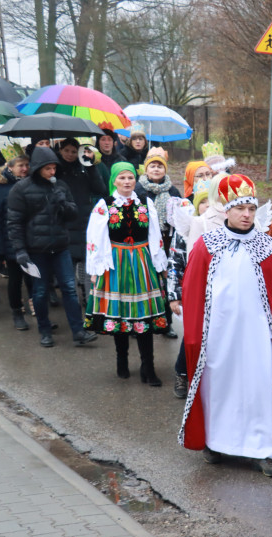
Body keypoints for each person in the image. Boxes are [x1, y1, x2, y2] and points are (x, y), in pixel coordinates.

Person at [179, 174, 272, 477]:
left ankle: (263, 449)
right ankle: (216, 442)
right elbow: (193, 291)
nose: (246, 215)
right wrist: (195, 334)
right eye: (240, 209)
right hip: (219, 335)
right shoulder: (207, 246)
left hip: (257, 336)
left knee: (258, 390)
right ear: (225, 209)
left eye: (251, 209)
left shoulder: (268, 247)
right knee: (220, 388)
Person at [84, 161, 169, 384]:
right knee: (120, 313)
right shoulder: (105, 204)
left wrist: (159, 264)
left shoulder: (145, 203)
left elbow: (154, 234)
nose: (127, 182)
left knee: (144, 315)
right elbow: (95, 237)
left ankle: (148, 368)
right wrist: (96, 268)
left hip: (141, 261)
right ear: (114, 180)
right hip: (116, 264)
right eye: (122, 178)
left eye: (130, 177)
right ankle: (122, 360)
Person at [6, 147, 98, 348]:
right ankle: (45, 330)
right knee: (39, 292)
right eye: (47, 168)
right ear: (38, 168)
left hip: (60, 247)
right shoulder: (20, 189)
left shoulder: (60, 187)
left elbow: (73, 214)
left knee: (69, 289)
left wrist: (63, 204)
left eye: (54, 168)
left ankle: (78, 331)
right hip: (36, 250)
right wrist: (20, 250)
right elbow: (14, 223)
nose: (52, 172)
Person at [166, 180, 209, 399]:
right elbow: (175, 263)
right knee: (193, 335)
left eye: (214, 203)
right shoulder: (187, 229)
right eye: (204, 203)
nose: (208, 207)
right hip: (194, 292)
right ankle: (182, 372)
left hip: (217, 293)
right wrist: (174, 296)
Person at [136, 147, 183, 337]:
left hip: (167, 240)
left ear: (165, 170)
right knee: (144, 282)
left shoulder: (172, 190)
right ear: (146, 169)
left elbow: (181, 215)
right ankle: (141, 321)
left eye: (160, 166)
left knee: (165, 283)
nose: (156, 169)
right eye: (152, 166)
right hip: (144, 242)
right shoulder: (138, 190)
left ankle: (166, 323)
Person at [55, 138, 106, 305]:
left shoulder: (84, 168)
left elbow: (100, 189)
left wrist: (91, 167)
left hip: (84, 223)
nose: (70, 155)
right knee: (68, 271)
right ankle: (72, 302)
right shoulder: (55, 170)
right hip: (64, 224)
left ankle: (88, 301)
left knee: (87, 269)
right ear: (61, 151)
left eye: (73, 151)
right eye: (66, 151)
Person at [0, 156, 31, 330]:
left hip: (32, 239)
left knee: (34, 279)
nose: (25, 168)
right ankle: (17, 312)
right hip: (10, 239)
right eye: (20, 165)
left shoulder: (31, 182)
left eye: (27, 165)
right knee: (15, 280)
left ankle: (39, 313)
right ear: (10, 167)